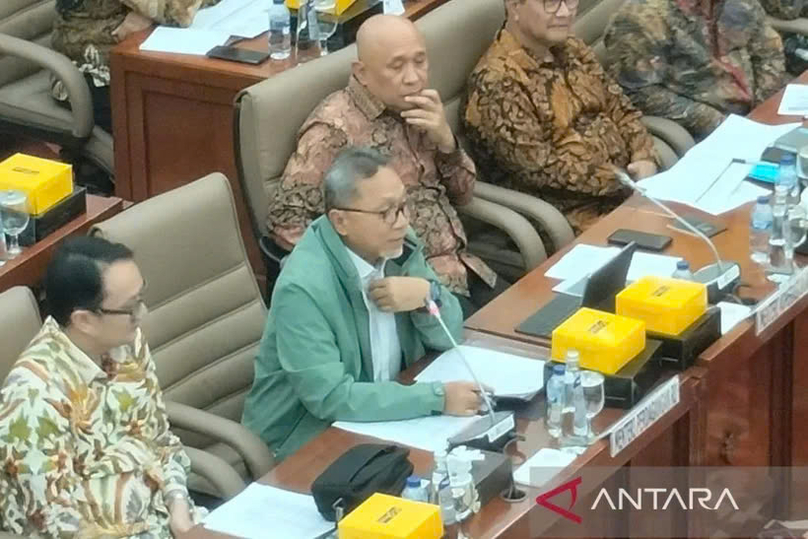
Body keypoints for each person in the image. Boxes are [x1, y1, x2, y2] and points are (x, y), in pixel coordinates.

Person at [243, 148, 485, 461]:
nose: (401, 222)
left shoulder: (399, 245)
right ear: (340, 221)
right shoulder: (302, 288)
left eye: (403, 206)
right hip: (308, 440)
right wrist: (436, 398)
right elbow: (331, 397)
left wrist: (427, 298)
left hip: (385, 416)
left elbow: (449, 332)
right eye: (386, 212)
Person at [266, 14, 506, 317]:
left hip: (463, 269)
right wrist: (369, 275)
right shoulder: (333, 130)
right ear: (362, 73)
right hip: (406, 297)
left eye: (420, 62)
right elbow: (286, 224)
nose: (413, 77)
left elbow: (464, 194)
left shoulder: (418, 107)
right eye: (397, 66)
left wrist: (447, 143)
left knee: (544, 330)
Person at [0, 237, 202, 538]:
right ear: (84, 320)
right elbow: (59, 525)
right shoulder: (34, 399)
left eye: (141, 298)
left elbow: (160, 442)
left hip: (166, 520)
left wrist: (181, 515)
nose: (142, 315)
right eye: (130, 307)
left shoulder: (126, 342)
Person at [462, 0, 658, 235]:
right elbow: (542, 170)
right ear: (515, 6)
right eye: (551, 3)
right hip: (575, 216)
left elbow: (619, 105)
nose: (565, 12)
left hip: (635, 189)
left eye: (570, 0)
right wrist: (624, 180)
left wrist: (643, 155)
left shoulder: (571, 46)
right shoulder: (495, 83)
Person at [604, 0, 786, 140]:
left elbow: (768, 48)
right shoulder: (639, 19)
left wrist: (764, 109)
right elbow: (638, 93)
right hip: (704, 129)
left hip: (760, 114)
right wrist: (717, 122)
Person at [51, 0, 219, 133]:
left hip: (138, 56)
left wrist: (151, 17)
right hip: (88, 75)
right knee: (187, 106)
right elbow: (178, 11)